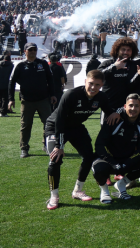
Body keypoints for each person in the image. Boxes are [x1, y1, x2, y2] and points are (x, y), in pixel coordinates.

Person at [44, 70, 119, 210]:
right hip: (55, 127)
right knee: (55, 159)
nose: (93, 87)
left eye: (97, 85)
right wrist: (59, 145)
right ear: (85, 81)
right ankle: (54, 196)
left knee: (89, 157)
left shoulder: (101, 97)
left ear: (102, 85)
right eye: (91, 83)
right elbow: (59, 121)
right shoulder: (71, 94)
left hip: (76, 128)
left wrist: (116, 112)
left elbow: (109, 110)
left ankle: (77, 190)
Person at [92, 94, 140, 204]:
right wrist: (113, 163)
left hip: (126, 159)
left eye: (136, 106)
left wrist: (127, 163)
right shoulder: (113, 120)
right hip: (109, 159)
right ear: (125, 106)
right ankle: (104, 191)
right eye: (130, 105)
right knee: (99, 168)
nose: (133, 109)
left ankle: (122, 184)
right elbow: (99, 145)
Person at [9, 43, 56, 158]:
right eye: (30, 50)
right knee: (25, 125)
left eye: (34, 49)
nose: (33, 51)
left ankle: (47, 145)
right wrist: (11, 99)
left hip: (43, 99)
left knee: (48, 124)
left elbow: (50, 79)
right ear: (25, 51)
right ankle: (24, 148)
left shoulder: (43, 63)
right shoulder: (20, 65)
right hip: (27, 100)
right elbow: (12, 82)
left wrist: (53, 94)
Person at [97, 37, 139, 116]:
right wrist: (114, 67)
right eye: (123, 49)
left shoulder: (135, 65)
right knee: (107, 128)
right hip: (108, 107)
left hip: (127, 107)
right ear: (117, 50)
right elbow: (96, 76)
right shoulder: (107, 63)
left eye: (128, 50)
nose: (125, 52)